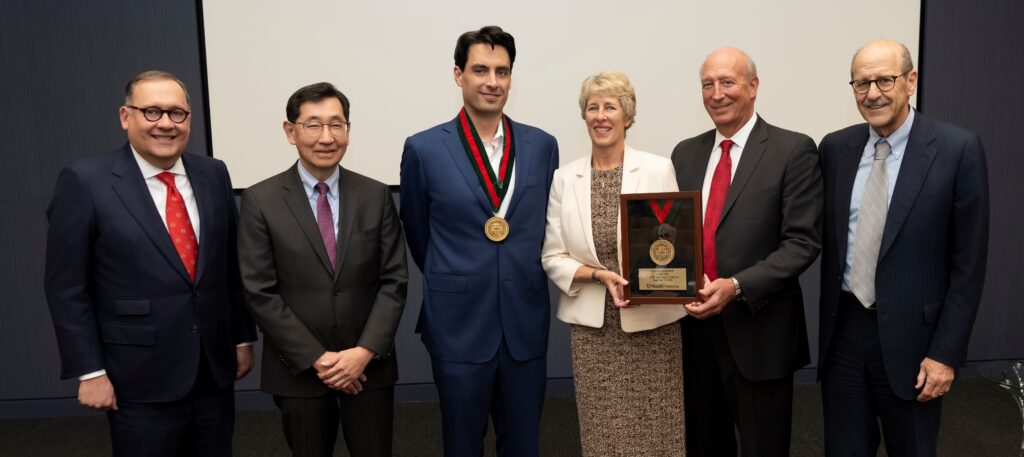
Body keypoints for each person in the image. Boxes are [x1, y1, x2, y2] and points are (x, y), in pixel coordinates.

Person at [43, 70, 257, 457]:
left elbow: (229, 267)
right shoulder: (85, 181)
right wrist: (90, 371)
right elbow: (66, 288)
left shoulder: (213, 173)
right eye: (152, 111)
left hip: (213, 370)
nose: (165, 124)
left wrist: (242, 337)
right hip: (136, 376)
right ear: (126, 117)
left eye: (177, 113)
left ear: (189, 119)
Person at [818, 40, 989, 457]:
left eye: (884, 80)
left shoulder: (957, 149)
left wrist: (945, 354)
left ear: (911, 81)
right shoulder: (835, 149)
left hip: (917, 346)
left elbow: (969, 266)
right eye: (861, 83)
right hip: (844, 336)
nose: (872, 93)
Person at [399, 25, 559, 456]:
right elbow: (418, 230)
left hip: (524, 324)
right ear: (458, 75)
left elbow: (547, 227)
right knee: (462, 444)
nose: (493, 81)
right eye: (481, 70)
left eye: (502, 72)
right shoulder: (424, 148)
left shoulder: (542, 146)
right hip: (458, 326)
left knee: (524, 444)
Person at [237, 82, 408, 457]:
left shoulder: (376, 195)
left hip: (369, 369)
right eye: (313, 125)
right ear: (290, 131)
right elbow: (259, 291)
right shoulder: (260, 200)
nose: (327, 137)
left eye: (337, 124)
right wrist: (320, 359)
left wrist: (362, 352)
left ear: (348, 130)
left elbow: (394, 280)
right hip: (298, 369)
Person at [671, 48, 822, 457]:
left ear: (753, 87)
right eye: (707, 84)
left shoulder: (793, 150)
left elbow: (802, 243)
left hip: (760, 333)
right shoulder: (685, 152)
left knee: (763, 447)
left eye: (727, 82)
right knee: (703, 445)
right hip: (694, 332)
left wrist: (736, 286)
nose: (716, 93)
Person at [541, 71, 686, 456]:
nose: (601, 116)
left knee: (659, 434)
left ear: (627, 115)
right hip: (594, 331)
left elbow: (673, 244)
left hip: (651, 326)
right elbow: (552, 255)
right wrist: (597, 275)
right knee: (603, 437)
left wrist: (651, 282)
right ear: (584, 115)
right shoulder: (563, 178)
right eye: (593, 107)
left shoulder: (658, 169)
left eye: (610, 106)